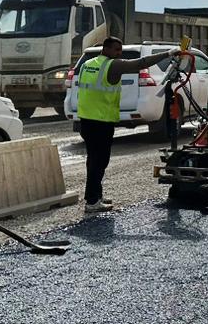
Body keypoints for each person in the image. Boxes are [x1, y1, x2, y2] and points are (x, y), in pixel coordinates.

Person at [76, 37, 178, 213]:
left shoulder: (88, 64)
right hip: (101, 121)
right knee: (99, 162)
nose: (119, 53)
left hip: (86, 119)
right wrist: (168, 54)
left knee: (93, 160)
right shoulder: (112, 65)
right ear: (106, 49)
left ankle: (94, 196)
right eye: (116, 50)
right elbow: (141, 63)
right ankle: (92, 202)